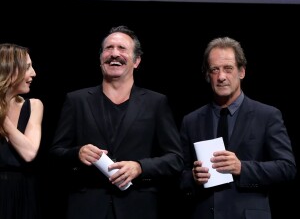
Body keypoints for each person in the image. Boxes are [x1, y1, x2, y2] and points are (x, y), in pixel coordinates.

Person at [49, 25, 184, 219]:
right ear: (100, 58)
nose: (114, 54)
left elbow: (175, 159)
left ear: (136, 61)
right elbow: (55, 154)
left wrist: (140, 167)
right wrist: (76, 153)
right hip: (86, 209)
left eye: (122, 49)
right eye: (108, 48)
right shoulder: (76, 101)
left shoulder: (156, 103)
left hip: (138, 209)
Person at [179, 36, 297, 219]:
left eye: (228, 69)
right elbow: (178, 174)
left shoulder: (267, 115)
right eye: (214, 70)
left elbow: (287, 168)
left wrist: (242, 167)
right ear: (207, 75)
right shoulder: (191, 120)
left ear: (242, 72)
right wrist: (193, 177)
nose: (221, 77)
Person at [0, 43, 44, 219]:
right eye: (27, 68)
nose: (33, 73)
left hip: (23, 197)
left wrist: (1, 115)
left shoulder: (34, 106)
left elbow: (29, 153)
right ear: (9, 71)